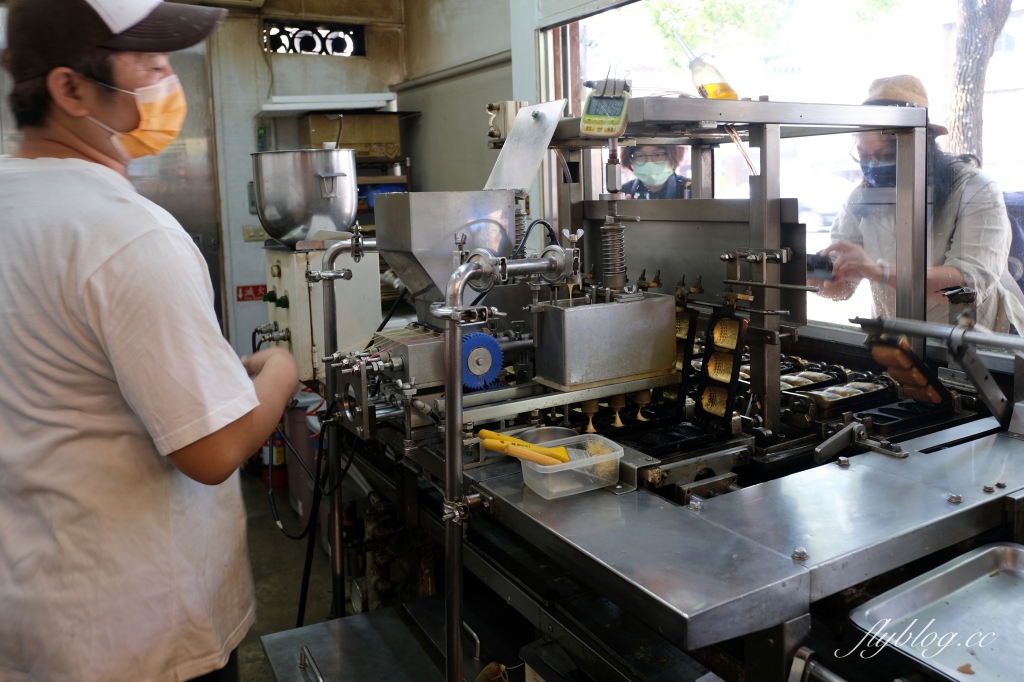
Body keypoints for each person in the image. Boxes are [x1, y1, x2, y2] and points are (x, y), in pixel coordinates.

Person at [0, 2, 299, 681]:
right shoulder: (129, 234)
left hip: (30, 617)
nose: (170, 85)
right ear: (69, 89)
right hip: (136, 636)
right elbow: (213, 449)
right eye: (154, 66)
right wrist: (280, 369)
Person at [816, 75, 1024, 332]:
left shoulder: (974, 189)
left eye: (885, 155)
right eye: (864, 156)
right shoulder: (862, 198)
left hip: (975, 349)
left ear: (922, 142)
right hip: (899, 345)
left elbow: (965, 291)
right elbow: (839, 289)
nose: (873, 166)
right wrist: (802, 271)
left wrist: (879, 272)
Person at [621, 144, 691, 199]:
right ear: (631, 159)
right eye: (640, 155)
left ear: (673, 155)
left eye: (658, 155)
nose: (649, 163)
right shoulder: (623, 192)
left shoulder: (690, 188)